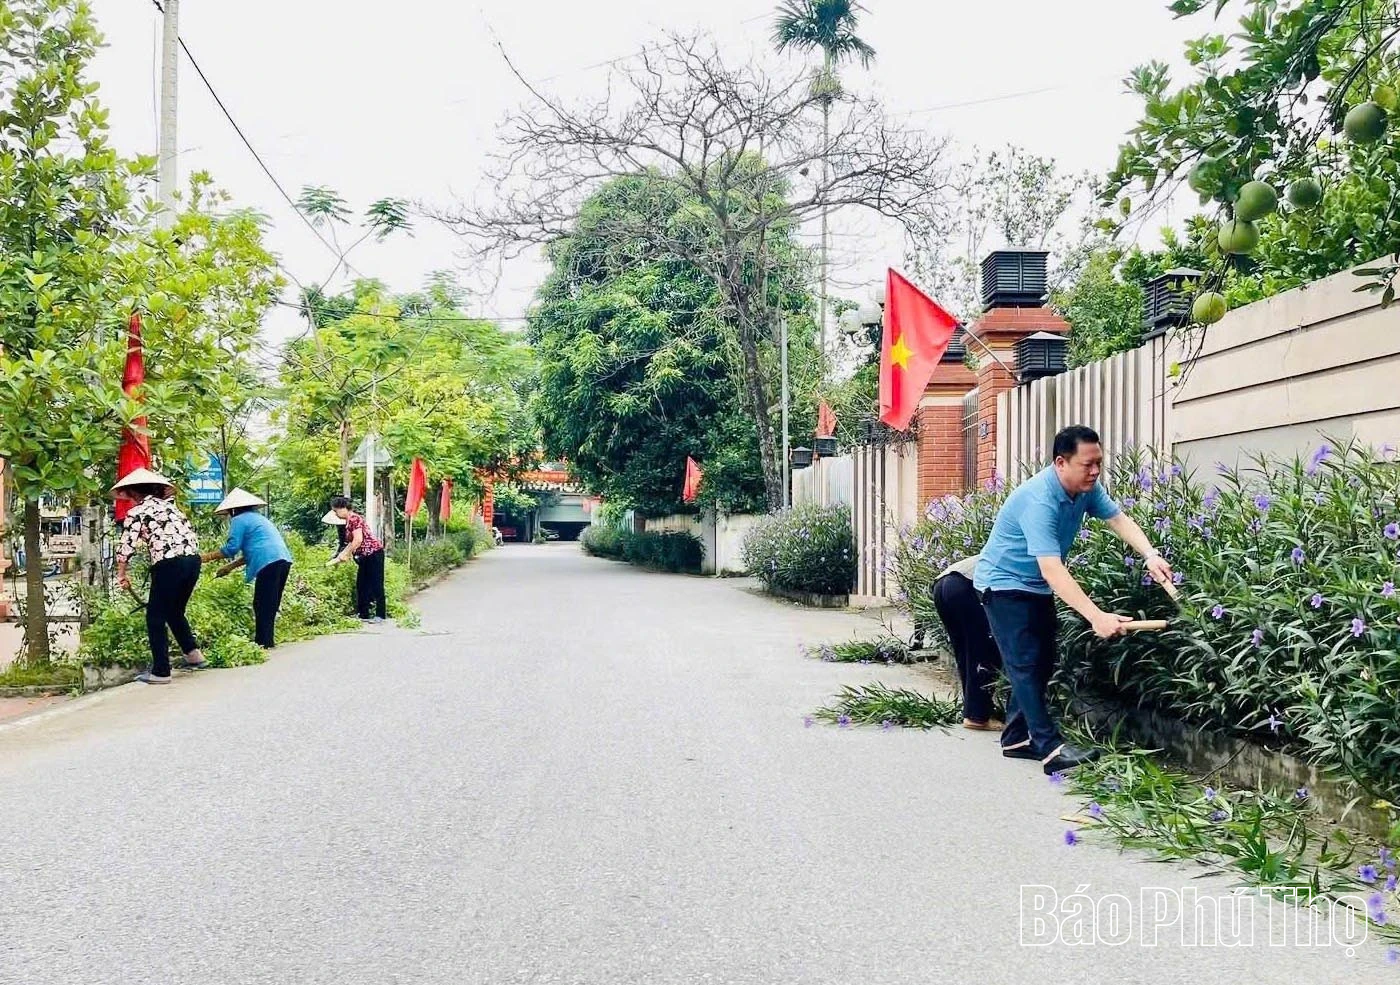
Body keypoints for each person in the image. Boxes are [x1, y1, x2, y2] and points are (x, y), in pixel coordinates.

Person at [974, 425, 1173, 775]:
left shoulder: (1086, 490)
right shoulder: (1040, 500)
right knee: (1024, 663)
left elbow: (1118, 519)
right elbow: (1052, 570)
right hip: (1003, 583)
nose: (1095, 471)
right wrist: (1096, 616)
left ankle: (1016, 738)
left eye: (1099, 463)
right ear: (1060, 462)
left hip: (1034, 586)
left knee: (1044, 661)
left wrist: (1150, 554)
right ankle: (1049, 748)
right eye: (1087, 464)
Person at [113, 468, 205, 684]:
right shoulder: (173, 509)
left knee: (155, 616)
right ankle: (194, 655)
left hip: (169, 563)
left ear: (133, 493)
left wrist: (121, 574)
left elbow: (126, 545)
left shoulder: (137, 512)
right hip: (193, 561)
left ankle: (161, 671)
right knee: (174, 611)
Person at [203, 489, 294, 649]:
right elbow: (252, 552)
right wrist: (229, 567)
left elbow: (231, 548)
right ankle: (267, 641)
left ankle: (262, 643)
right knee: (270, 602)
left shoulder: (239, 520)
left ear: (232, 510)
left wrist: (205, 557)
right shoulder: (258, 519)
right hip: (283, 559)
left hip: (269, 562)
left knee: (261, 603)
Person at [932, 554, 1003, 731]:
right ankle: (977, 717)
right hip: (967, 586)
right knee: (985, 648)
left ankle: (973, 710)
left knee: (965, 650)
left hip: (943, 584)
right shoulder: (1039, 553)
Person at [327, 496, 386, 622]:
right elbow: (351, 542)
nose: (335, 514)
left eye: (336, 510)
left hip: (373, 554)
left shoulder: (354, 519)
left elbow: (358, 539)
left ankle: (380, 614)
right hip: (364, 556)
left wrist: (346, 554)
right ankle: (363, 614)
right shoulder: (349, 522)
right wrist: (340, 556)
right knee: (362, 585)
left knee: (376, 584)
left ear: (343, 509)